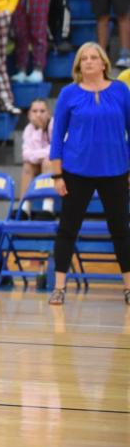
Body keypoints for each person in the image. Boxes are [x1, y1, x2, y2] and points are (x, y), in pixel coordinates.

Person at [48, 43, 130, 305]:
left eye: (94, 58)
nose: (90, 62)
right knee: (67, 229)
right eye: (84, 59)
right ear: (78, 65)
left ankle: (128, 287)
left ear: (104, 63)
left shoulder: (120, 91)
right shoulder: (68, 94)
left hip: (116, 170)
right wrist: (57, 175)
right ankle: (59, 287)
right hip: (75, 171)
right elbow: (57, 136)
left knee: (121, 230)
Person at [20, 98, 53, 213]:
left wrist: (37, 156)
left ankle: (48, 208)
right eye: (34, 111)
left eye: (42, 111)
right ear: (29, 114)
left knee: (48, 161)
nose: (38, 114)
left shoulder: (55, 125)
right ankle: (24, 207)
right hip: (39, 165)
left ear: (48, 113)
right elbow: (25, 154)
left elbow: (55, 151)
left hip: (60, 167)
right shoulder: (28, 129)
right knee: (27, 166)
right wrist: (39, 129)